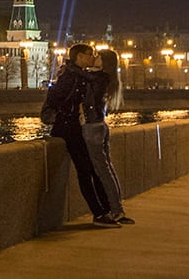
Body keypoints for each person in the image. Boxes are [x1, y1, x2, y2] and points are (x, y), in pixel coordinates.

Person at [46, 43, 116, 226]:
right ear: (80, 57)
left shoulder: (78, 74)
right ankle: (100, 213)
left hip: (75, 126)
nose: (92, 57)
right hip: (68, 127)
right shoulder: (70, 76)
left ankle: (106, 210)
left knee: (90, 169)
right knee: (85, 170)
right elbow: (55, 98)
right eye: (89, 54)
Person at [81, 49, 133, 224]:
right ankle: (118, 209)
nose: (94, 58)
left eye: (98, 56)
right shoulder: (107, 78)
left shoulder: (99, 78)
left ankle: (116, 210)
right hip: (101, 126)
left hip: (93, 127)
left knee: (103, 171)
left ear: (104, 61)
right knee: (108, 169)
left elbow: (88, 95)